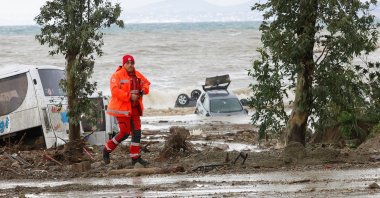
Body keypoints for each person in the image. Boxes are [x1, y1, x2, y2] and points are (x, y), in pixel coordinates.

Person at [103, 54, 151, 166]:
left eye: (132, 63)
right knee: (124, 133)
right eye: (128, 63)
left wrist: (143, 90)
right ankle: (106, 150)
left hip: (134, 109)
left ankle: (135, 158)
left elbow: (147, 83)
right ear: (124, 64)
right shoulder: (117, 75)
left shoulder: (137, 74)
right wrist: (129, 96)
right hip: (122, 109)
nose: (130, 65)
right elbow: (114, 91)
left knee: (137, 133)